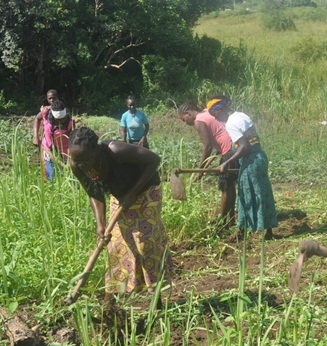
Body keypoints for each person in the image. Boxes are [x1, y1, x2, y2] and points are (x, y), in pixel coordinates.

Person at [68, 127, 172, 295]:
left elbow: (154, 160)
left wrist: (132, 192)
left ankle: (157, 298)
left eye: (85, 160)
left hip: (146, 191)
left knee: (146, 244)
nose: (82, 165)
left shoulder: (116, 151)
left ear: (96, 150)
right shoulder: (77, 165)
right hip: (119, 195)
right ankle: (117, 297)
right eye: (76, 160)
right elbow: (94, 193)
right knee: (117, 247)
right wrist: (100, 225)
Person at [206, 95, 278, 240]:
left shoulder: (230, 123)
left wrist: (226, 163)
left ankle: (242, 231)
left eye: (216, 115)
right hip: (260, 157)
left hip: (250, 160)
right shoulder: (241, 115)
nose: (217, 119)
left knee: (245, 196)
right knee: (263, 192)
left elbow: (244, 146)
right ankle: (268, 231)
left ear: (221, 110)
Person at [178, 102, 237, 228]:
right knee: (230, 185)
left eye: (184, 119)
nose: (186, 123)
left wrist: (200, 170)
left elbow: (208, 146)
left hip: (228, 150)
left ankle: (222, 221)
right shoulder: (206, 112)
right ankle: (230, 219)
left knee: (225, 186)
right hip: (233, 147)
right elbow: (217, 148)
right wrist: (205, 167)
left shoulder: (198, 121)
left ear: (188, 114)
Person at [41, 99, 76, 180]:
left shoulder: (70, 121)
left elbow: (72, 139)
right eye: (58, 120)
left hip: (64, 149)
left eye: (62, 119)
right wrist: (55, 157)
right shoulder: (47, 115)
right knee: (50, 175)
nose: (60, 122)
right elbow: (49, 145)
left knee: (66, 173)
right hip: (49, 149)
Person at [33, 89, 59, 180]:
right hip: (47, 144)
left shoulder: (62, 110)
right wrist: (35, 136)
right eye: (50, 98)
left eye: (54, 98)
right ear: (47, 99)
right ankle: (48, 185)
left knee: (60, 167)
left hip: (60, 145)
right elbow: (37, 118)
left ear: (57, 98)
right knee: (48, 168)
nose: (52, 100)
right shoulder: (45, 110)